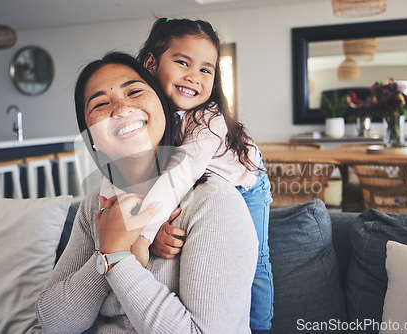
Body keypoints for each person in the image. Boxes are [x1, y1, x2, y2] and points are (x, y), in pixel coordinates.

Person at [35, 52, 259, 333]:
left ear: (164, 108)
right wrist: (104, 252)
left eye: (135, 91)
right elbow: (54, 324)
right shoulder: (95, 205)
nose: (120, 108)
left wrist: (117, 255)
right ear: (92, 139)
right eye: (101, 104)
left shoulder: (212, 201)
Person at [133, 18, 274, 334]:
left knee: (256, 260)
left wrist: (143, 235)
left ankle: (260, 327)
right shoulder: (145, 114)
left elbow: (180, 173)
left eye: (205, 70)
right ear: (151, 63)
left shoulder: (208, 119)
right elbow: (148, 177)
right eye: (182, 62)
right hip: (201, 185)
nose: (193, 77)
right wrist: (155, 230)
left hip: (245, 182)